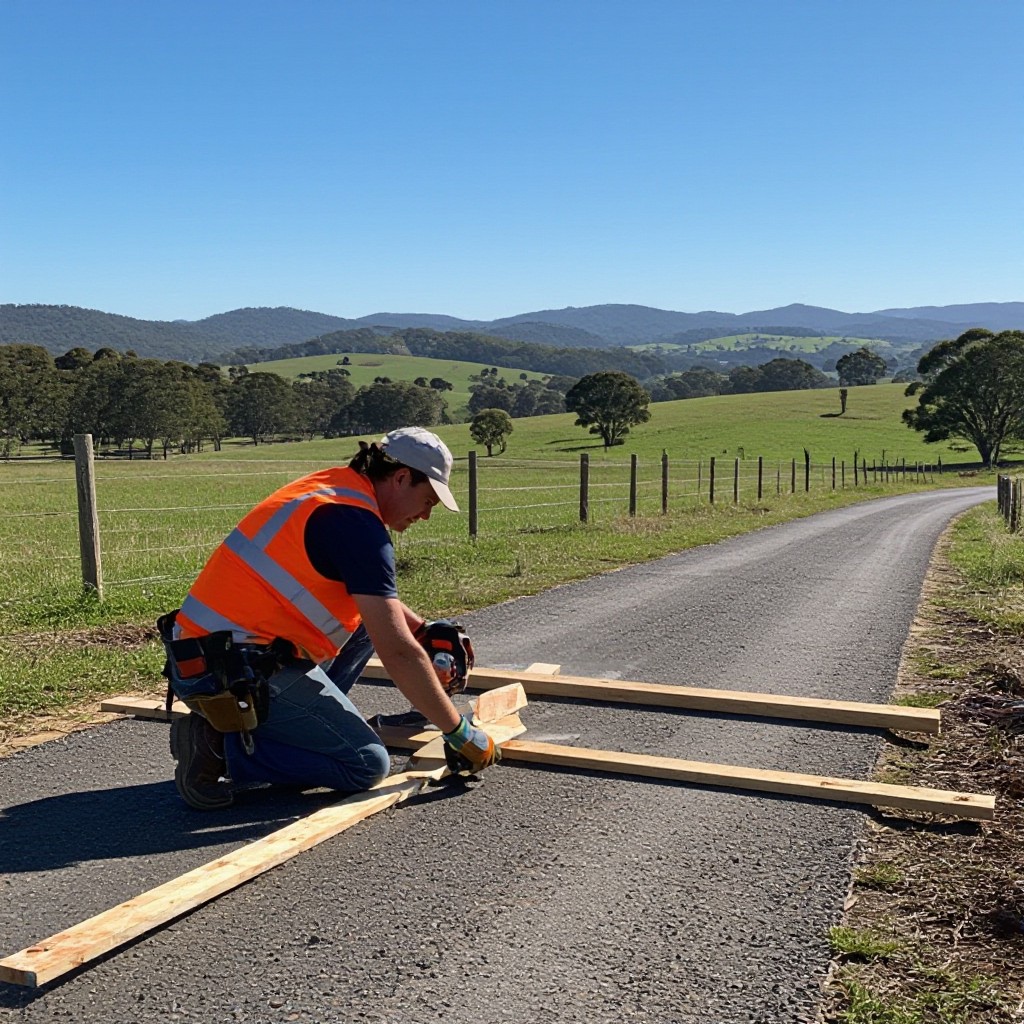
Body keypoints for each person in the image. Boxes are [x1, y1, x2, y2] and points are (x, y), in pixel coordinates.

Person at [161, 426, 498, 810]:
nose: (425, 515)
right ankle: (221, 745)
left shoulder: (335, 490)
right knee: (365, 765)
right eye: (428, 501)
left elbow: (377, 610)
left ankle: (295, 729)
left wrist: (423, 629)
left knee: (368, 625)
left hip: (205, 654)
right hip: (228, 673)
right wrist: (458, 730)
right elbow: (400, 654)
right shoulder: (358, 528)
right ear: (402, 477)